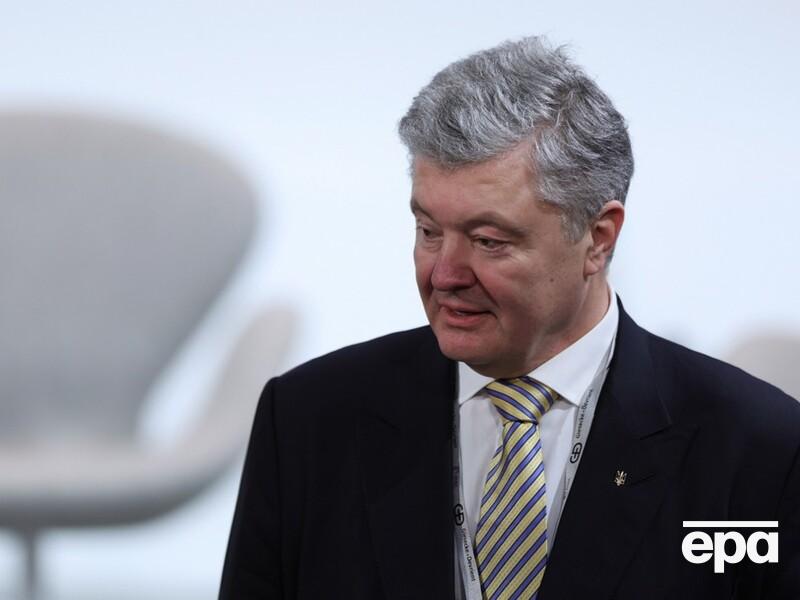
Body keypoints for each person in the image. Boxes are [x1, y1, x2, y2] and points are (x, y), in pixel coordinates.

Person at [219, 36, 800, 600]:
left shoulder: (758, 447)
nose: (444, 274)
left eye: (489, 241)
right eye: (428, 231)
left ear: (598, 239)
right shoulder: (307, 421)